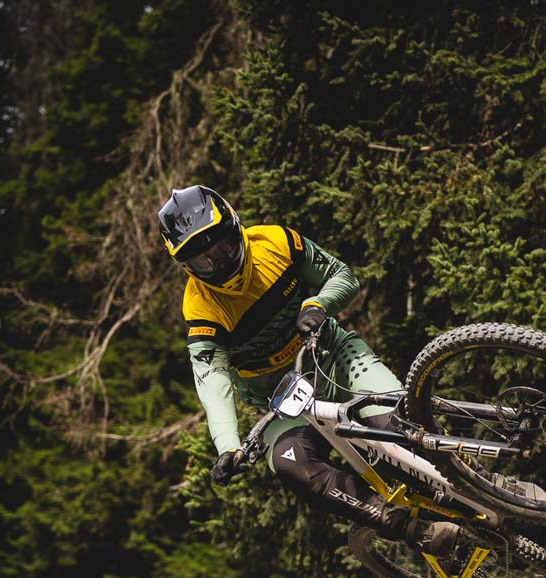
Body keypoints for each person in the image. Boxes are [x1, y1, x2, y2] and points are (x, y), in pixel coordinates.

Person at [157, 184, 461, 554]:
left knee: (397, 425)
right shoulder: (200, 308)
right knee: (290, 464)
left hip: (335, 358)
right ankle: (411, 529)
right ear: (186, 267)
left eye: (222, 248)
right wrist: (228, 446)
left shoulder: (277, 243)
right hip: (283, 403)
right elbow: (212, 383)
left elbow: (343, 275)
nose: (219, 265)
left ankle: (477, 480)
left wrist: (319, 303)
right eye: (204, 262)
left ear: (236, 227)